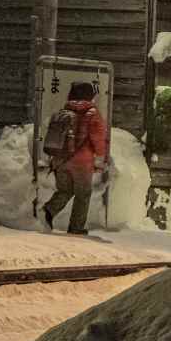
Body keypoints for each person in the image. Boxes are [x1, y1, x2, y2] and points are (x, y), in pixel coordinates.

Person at [42, 82, 109, 235]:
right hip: (82, 163)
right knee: (83, 194)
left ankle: (47, 211)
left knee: (64, 191)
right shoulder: (92, 113)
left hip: (61, 159)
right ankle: (76, 228)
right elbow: (98, 139)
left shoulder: (64, 111)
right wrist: (101, 156)